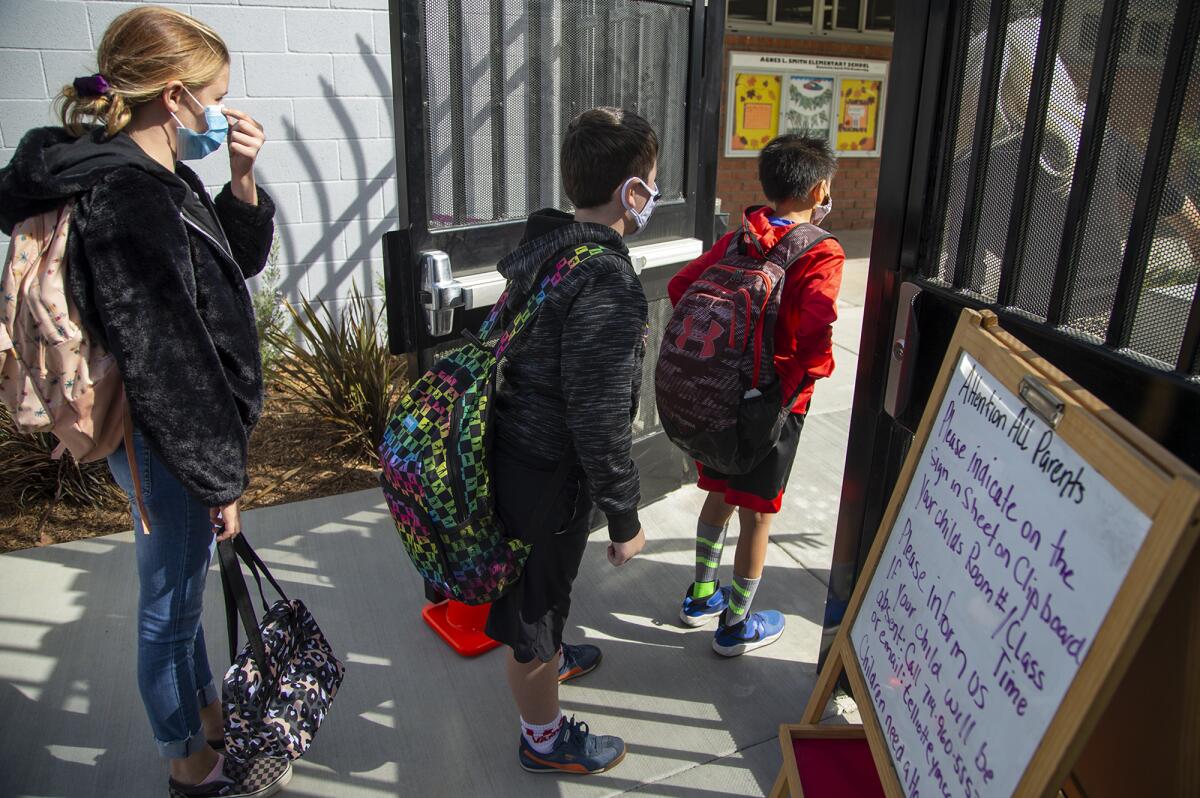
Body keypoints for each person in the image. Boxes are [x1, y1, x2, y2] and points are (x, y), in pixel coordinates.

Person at [0, 7, 284, 796]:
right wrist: (220, 477)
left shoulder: (152, 171)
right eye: (216, 96)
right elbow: (168, 358)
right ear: (173, 95)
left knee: (182, 586)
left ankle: (205, 717)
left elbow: (233, 266)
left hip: (166, 436)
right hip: (164, 437)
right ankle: (187, 763)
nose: (225, 108)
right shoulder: (129, 196)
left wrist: (242, 179)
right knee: (166, 608)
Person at [483, 107, 653, 775]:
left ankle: (552, 651)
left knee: (543, 592)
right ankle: (543, 737)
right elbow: (599, 417)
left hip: (516, 453)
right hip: (546, 476)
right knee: (532, 620)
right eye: (651, 182)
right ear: (632, 192)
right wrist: (625, 514)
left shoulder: (550, 250)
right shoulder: (604, 277)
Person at [667, 135, 844, 656]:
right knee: (759, 516)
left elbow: (682, 287)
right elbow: (816, 329)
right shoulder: (821, 250)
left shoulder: (738, 238)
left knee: (719, 495)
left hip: (717, 398)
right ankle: (736, 626)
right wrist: (791, 384)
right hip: (772, 404)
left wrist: (721, 359)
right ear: (820, 188)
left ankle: (701, 596)